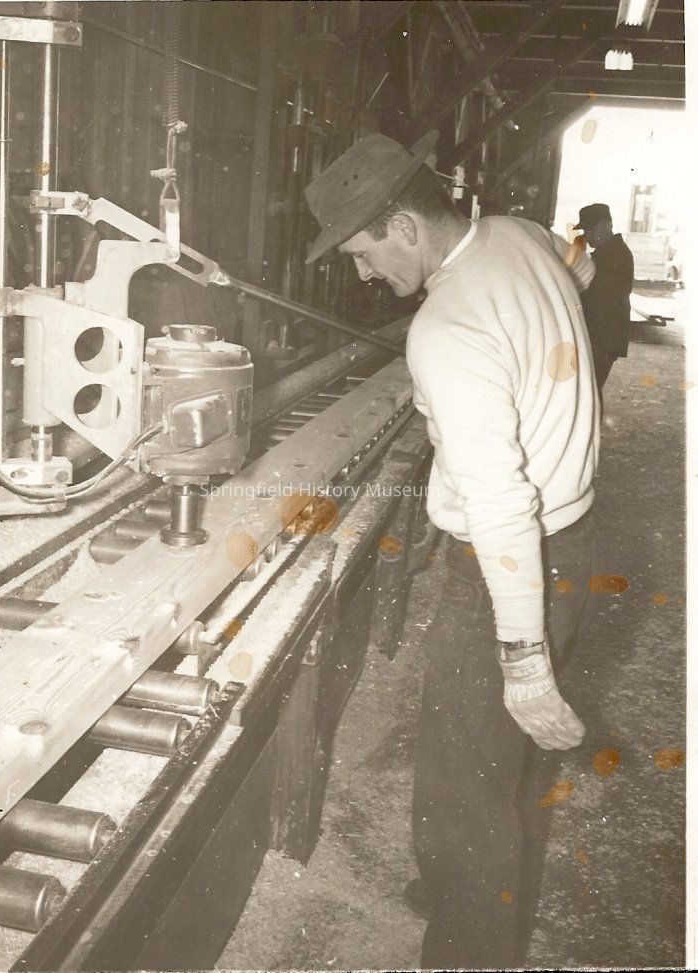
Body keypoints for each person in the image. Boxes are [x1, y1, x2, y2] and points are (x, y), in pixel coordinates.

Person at [304, 131, 600, 969]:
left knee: (464, 775)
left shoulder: (444, 327)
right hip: (575, 537)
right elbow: (579, 269)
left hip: (514, 561)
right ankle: (454, 882)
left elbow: (502, 502)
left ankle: (469, 946)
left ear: (403, 225)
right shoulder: (518, 234)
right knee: (482, 749)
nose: (365, 274)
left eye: (363, 253)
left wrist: (522, 654)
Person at [574, 202, 635, 400]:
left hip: (603, 337)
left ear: (604, 226)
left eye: (589, 230)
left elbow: (596, 299)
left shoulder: (613, 256)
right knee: (589, 390)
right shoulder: (608, 253)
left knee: (588, 391)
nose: (586, 236)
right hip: (604, 336)